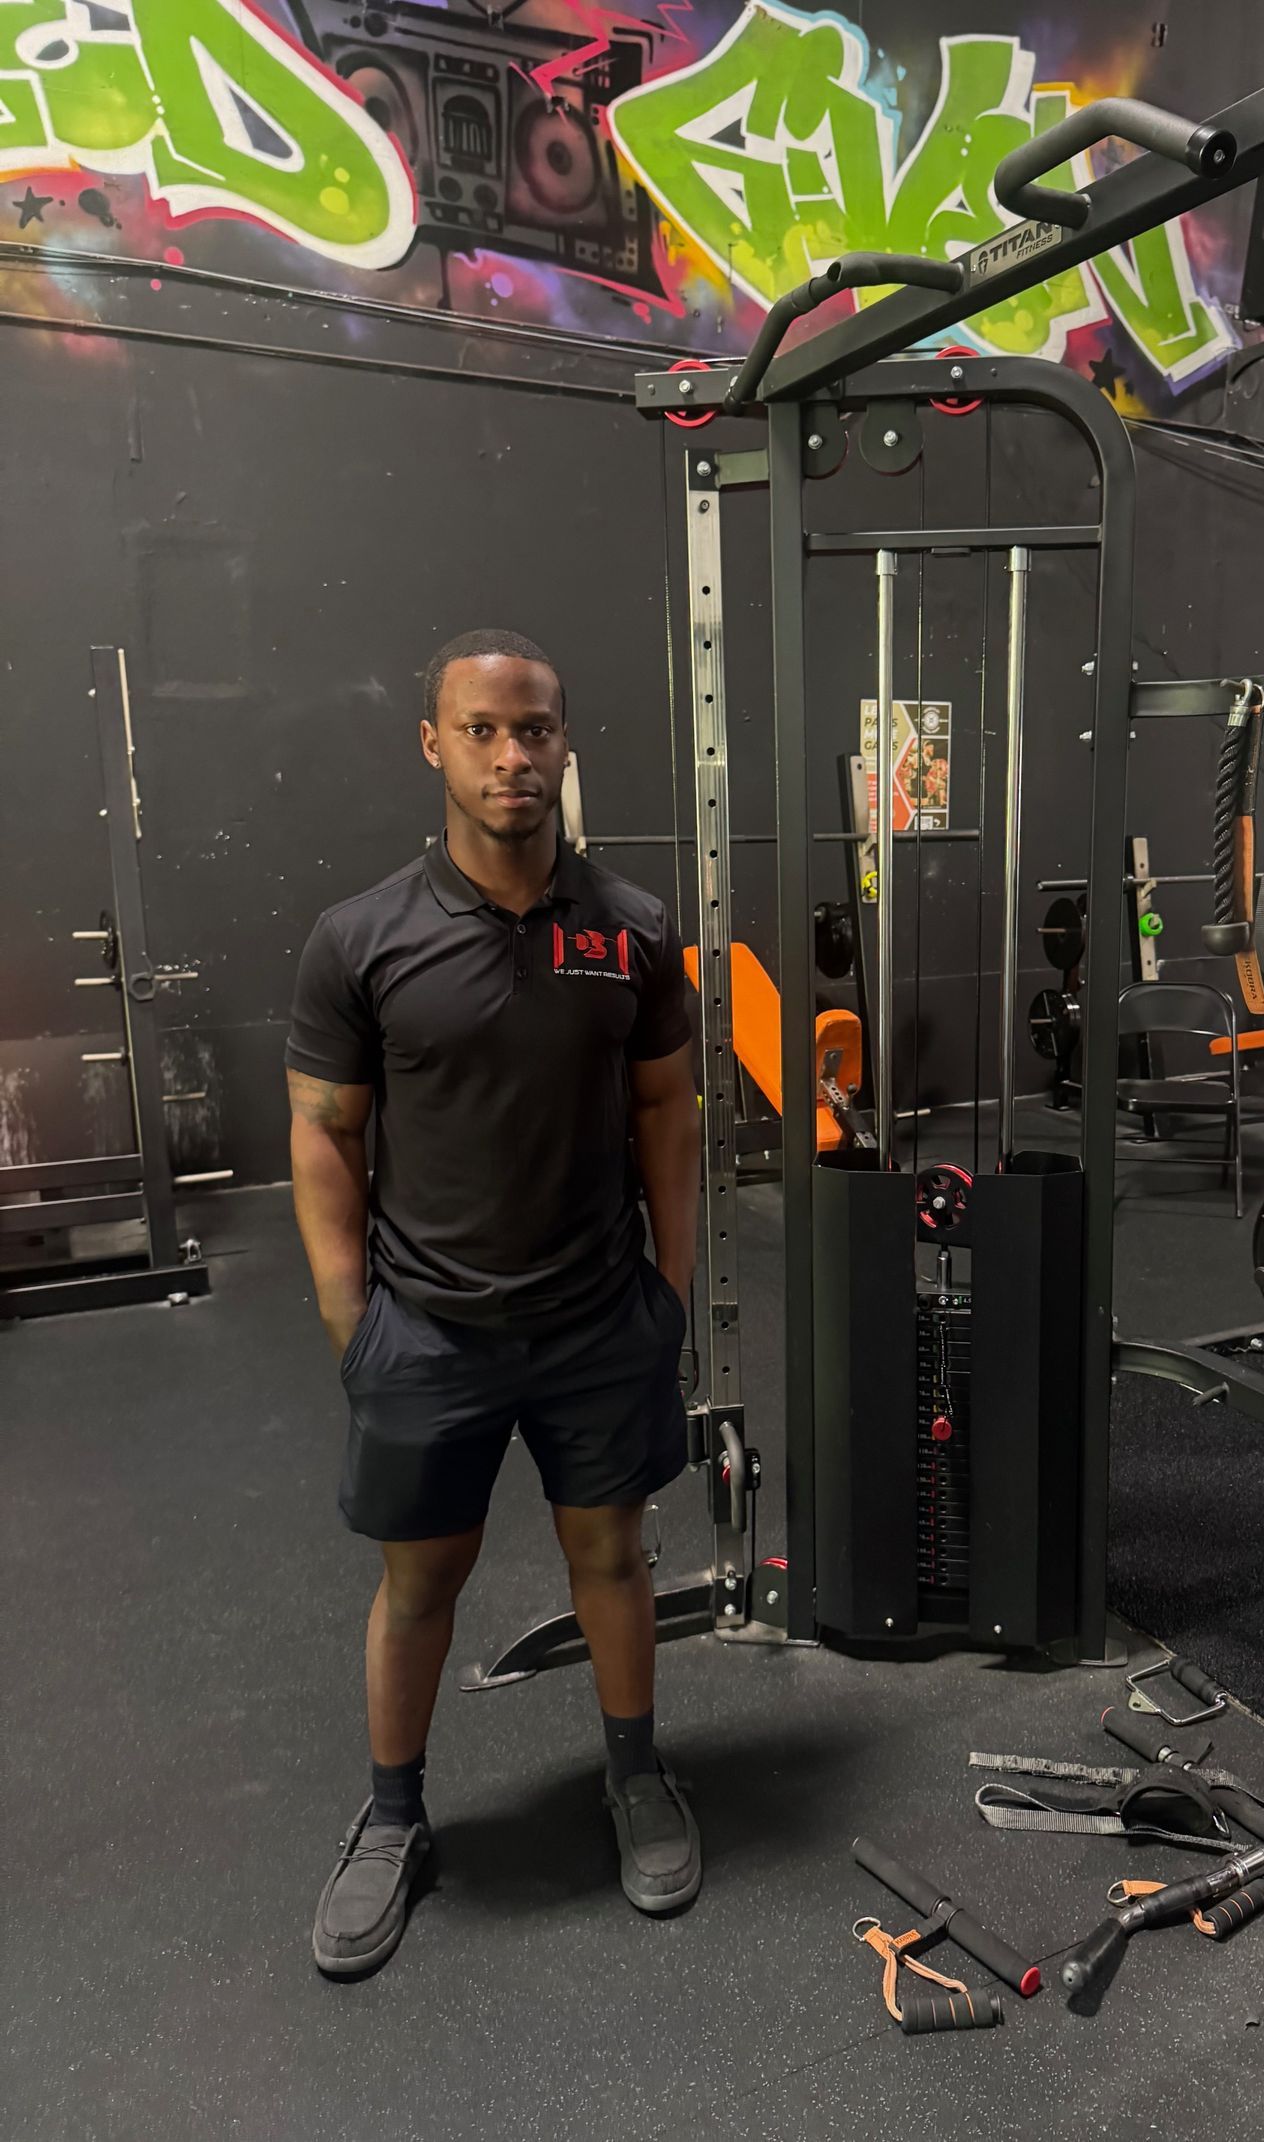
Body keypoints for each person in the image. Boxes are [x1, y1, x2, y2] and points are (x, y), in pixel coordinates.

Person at [286, 627, 702, 1978]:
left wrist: (668, 1292)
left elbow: (670, 1113)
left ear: (565, 743)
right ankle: (393, 1818)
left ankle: (635, 1775)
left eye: (535, 729)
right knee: (419, 1585)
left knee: (613, 1561)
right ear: (434, 745)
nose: (512, 755)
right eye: (482, 730)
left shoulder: (633, 930)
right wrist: (354, 1323)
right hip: (430, 1330)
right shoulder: (361, 940)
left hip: (594, 1320)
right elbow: (324, 1135)